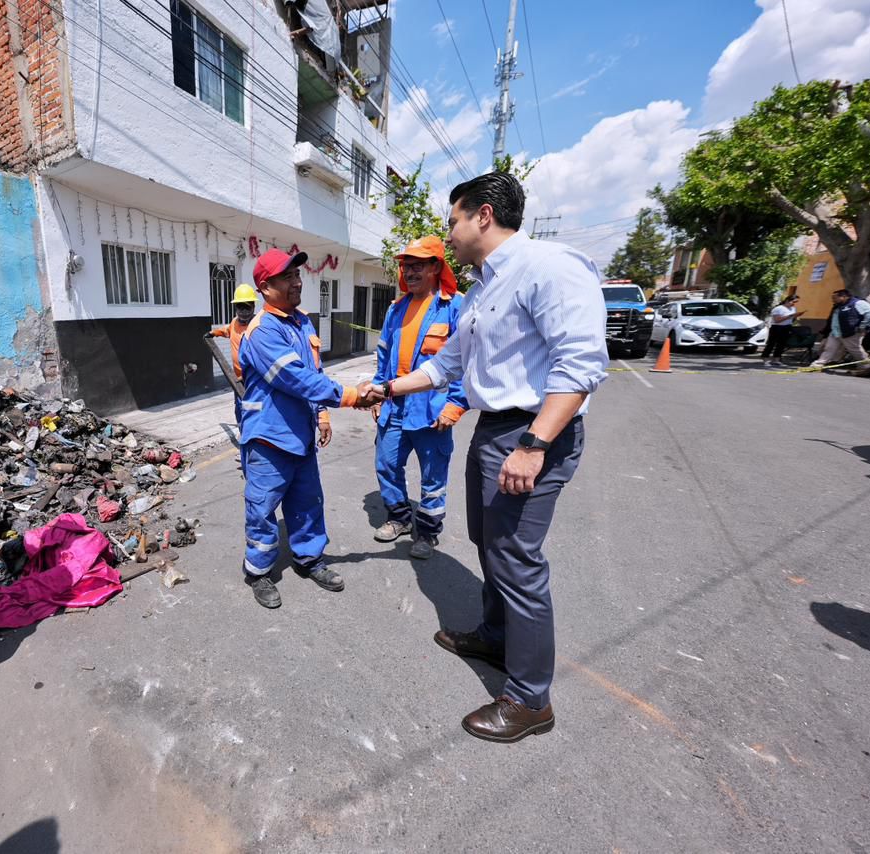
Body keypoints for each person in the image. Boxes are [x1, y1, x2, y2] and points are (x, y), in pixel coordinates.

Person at [358, 172, 608, 743]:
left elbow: (581, 363)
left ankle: (529, 699)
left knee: (517, 559)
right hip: (495, 428)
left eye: (453, 221)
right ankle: (497, 635)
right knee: (488, 543)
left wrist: (535, 443)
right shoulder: (479, 290)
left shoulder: (550, 267)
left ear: (484, 215)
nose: (448, 235)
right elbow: (448, 368)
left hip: (531, 431)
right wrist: (389, 389)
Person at [238, 248, 364, 609]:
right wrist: (352, 396)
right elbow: (294, 379)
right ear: (265, 286)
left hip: (301, 433)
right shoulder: (262, 332)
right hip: (268, 437)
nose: (297, 282)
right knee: (262, 507)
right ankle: (258, 570)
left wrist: (322, 415)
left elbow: (314, 374)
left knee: (307, 503)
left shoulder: (303, 322)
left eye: (297, 275)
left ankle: (308, 559)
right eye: (287, 277)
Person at [370, 236, 468, 560]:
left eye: (417, 265)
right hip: (395, 405)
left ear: (435, 267)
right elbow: (383, 357)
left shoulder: (455, 306)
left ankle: (426, 530)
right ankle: (398, 516)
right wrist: (376, 393)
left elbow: (465, 362)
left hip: (432, 409)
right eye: (406, 265)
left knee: (433, 473)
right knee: (386, 462)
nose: (409, 272)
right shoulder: (395, 310)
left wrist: (456, 404)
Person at [208, 283, 259, 426]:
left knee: (253, 406)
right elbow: (226, 330)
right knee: (239, 407)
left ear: (253, 307)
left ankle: (254, 433)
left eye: (246, 307)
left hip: (254, 378)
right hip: (237, 378)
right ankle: (243, 430)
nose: (243, 311)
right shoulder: (234, 323)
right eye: (239, 307)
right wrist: (214, 333)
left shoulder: (258, 325)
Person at [810, 289, 870, 370]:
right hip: (835, 332)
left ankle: (866, 367)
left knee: (856, 351)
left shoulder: (858, 303)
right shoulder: (838, 306)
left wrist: (862, 326)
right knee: (829, 349)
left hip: (850, 333)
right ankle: (817, 365)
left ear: (844, 297)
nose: (833, 300)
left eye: (835, 298)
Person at [761, 294, 802, 367]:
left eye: (796, 302)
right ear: (787, 300)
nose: (794, 304)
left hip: (787, 327)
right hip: (777, 327)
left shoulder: (793, 309)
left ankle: (776, 359)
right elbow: (777, 320)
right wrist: (789, 316)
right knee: (771, 344)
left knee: (781, 344)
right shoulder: (778, 308)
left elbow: (792, 318)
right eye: (793, 301)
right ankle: (765, 359)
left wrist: (796, 316)